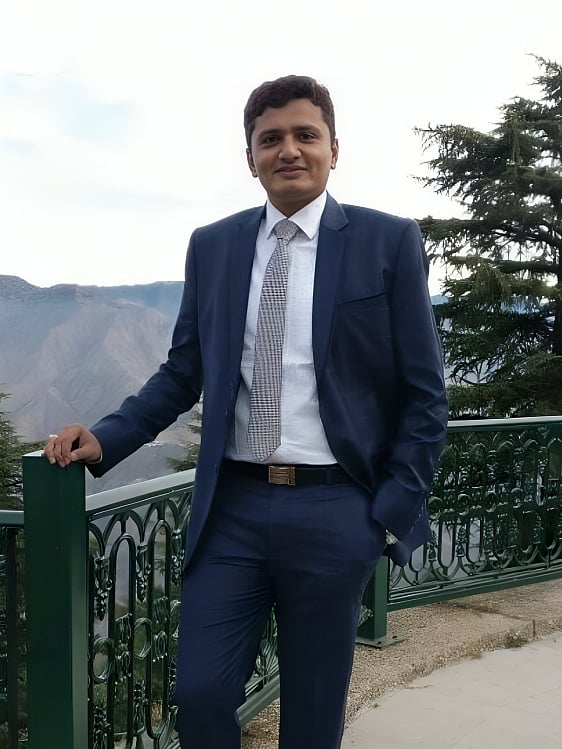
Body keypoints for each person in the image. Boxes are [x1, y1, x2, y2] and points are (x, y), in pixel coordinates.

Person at [44, 75, 448, 749]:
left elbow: (425, 394)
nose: (289, 150)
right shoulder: (215, 245)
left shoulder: (387, 241)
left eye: (305, 135)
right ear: (251, 156)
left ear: (334, 149)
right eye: (271, 138)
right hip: (232, 507)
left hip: (336, 508)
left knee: (313, 712)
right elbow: (184, 371)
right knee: (199, 694)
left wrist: (385, 514)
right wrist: (107, 438)